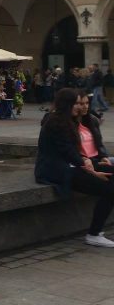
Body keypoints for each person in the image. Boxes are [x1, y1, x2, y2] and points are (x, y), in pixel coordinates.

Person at [35, 88, 114, 247]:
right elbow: (67, 151)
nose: (80, 107)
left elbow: (74, 151)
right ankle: (93, 234)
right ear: (66, 104)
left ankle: (95, 232)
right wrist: (91, 170)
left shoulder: (68, 121)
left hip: (72, 165)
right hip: (58, 170)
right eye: (76, 103)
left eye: (81, 103)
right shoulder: (56, 122)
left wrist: (87, 161)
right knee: (110, 189)